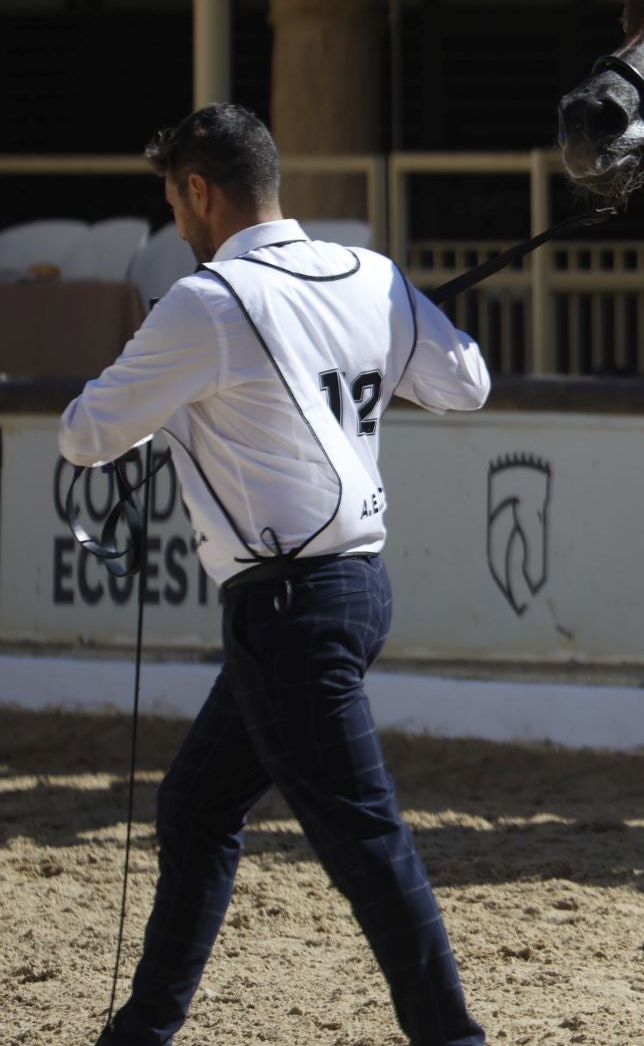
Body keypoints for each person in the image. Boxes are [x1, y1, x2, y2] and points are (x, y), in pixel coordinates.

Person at [62, 104, 491, 1046]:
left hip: (288, 604)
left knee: (366, 844)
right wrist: (384, 331)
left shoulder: (204, 301)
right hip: (349, 592)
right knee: (198, 805)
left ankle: (454, 1040)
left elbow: (85, 433)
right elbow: (467, 381)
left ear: (201, 192)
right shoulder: (369, 277)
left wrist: (169, 401)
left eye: (175, 199)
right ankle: (140, 1033)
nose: (177, 220)